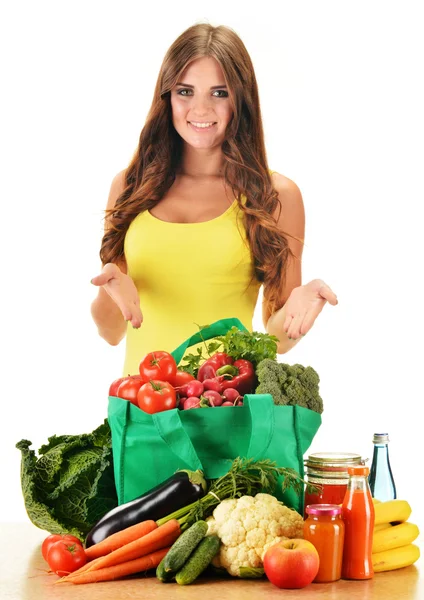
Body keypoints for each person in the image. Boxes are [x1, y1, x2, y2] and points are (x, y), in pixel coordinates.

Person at [90, 23, 338, 377]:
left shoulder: (275, 196)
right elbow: (110, 331)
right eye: (185, 91)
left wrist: (303, 304)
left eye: (219, 93)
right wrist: (109, 289)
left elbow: (277, 339)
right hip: (142, 411)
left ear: (241, 99)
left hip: (227, 412)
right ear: (167, 97)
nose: (201, 109)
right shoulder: (131, 186)